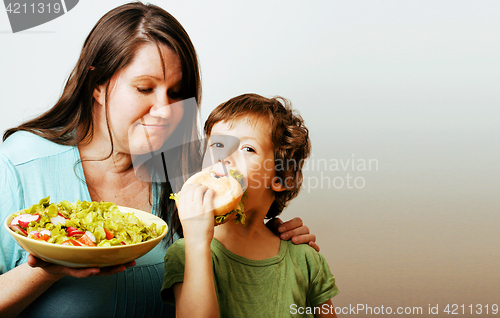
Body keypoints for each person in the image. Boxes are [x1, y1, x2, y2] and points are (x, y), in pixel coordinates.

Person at [0, 3, 317, 318]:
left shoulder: (193, 174)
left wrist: (277, 240)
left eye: (176, 93)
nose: (166, 110)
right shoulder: (21, 163)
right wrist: (48, 269)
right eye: (145, 88)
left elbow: (233, 257)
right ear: (97, 84)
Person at [161, 93, 339, 317]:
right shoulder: (187, 252)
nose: (224, 156)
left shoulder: (305, 258)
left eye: (248, 149)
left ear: (283, 177)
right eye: (217, 144)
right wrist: (196, 244)